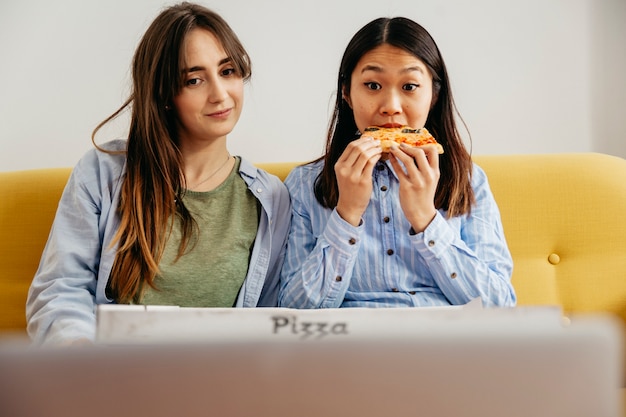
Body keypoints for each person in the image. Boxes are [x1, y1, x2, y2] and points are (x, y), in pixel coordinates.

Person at [26, 2, 291, 345]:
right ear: (166, 94)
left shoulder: (270, 199)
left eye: (227, 72)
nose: (220, 94)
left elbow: (267, 321)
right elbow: (59, 292)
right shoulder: (103, 173)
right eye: (195, 80)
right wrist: (84, 360)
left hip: (216, 384)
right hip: (109, 377)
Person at [279, 17, 515, 309]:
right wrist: (347, 213)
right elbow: (292, 311)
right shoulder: (304, 184)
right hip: (348, 345)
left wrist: (426, 219)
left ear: (434, 95)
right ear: (346, 93)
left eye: (410, 86)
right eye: (373, 85)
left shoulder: (467, 179)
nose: (391, 106)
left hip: (443, 344)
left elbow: (499, 307)